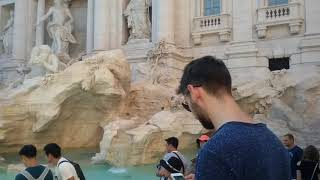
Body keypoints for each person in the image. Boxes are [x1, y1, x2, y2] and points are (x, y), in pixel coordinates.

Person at [177, 56, 291, 180]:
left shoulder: (214, 152)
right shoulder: (274, 142)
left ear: (194, 93)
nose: (192, 114)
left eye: (187, 104)